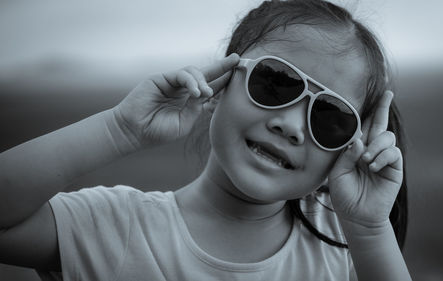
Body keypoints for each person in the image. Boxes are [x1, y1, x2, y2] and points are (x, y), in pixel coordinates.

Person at [0, 0, 412, 280]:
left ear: (348, 148)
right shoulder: (117, 228)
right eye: (275, 83)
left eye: (330, 116)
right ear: (219, 87)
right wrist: (118, 129)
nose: (290, 125)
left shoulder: (346, 249)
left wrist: (370, 230)